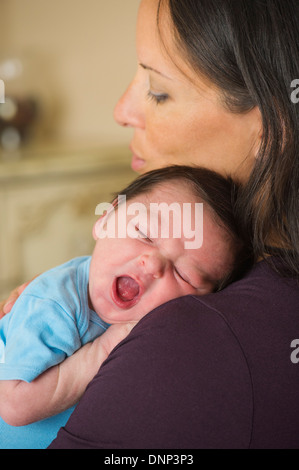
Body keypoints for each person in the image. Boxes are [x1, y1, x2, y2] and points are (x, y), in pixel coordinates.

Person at [1, 0, 299, 449]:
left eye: (158, 91)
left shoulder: (189, 342)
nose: (122, 110)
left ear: (272, 127)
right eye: (142, 229)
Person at [0, 165, 247, 449]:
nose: (153, 263)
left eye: (185, 274)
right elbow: (14, 405)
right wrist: (104, 348)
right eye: (144, 232)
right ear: (106, 219)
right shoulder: (55, 302)